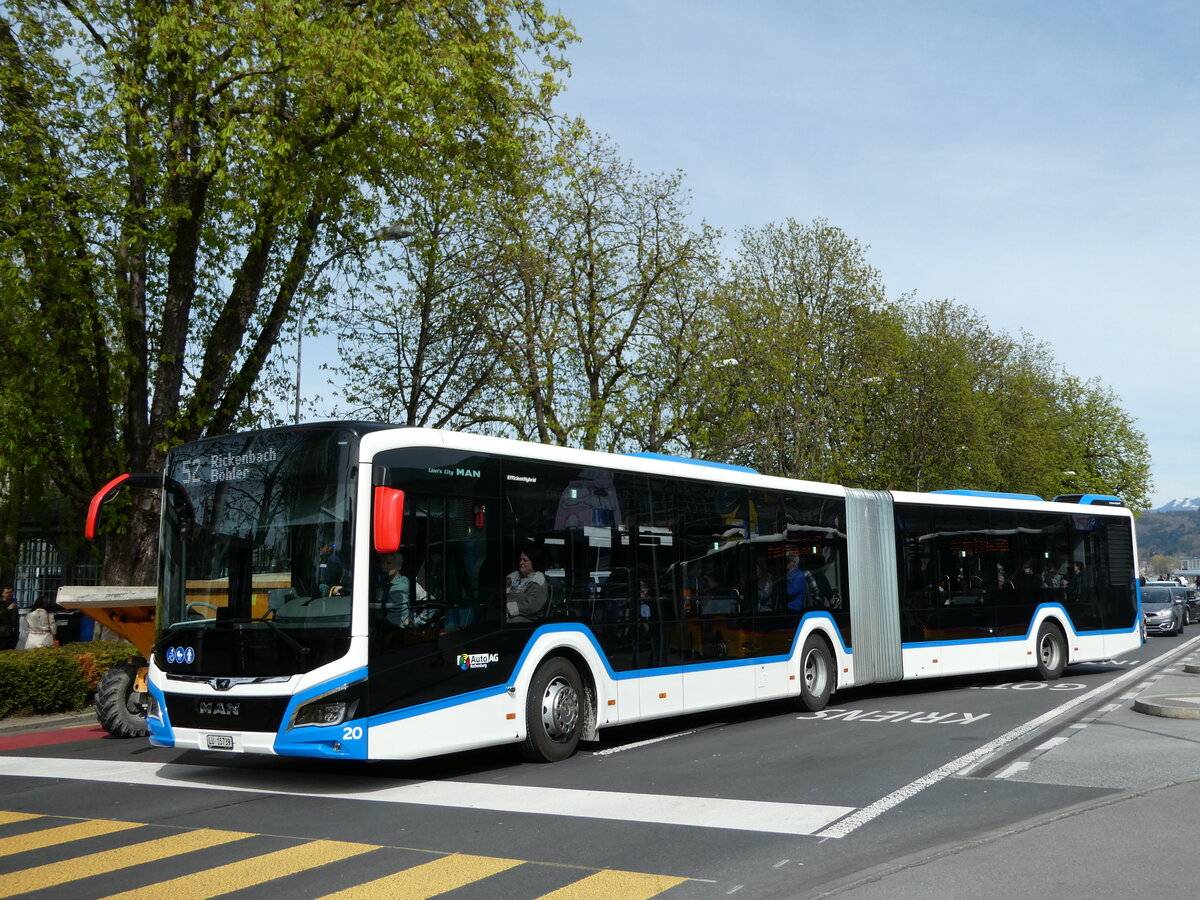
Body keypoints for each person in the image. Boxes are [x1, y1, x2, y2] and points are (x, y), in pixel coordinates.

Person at [380, 551, 435, 628]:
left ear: (399, 566)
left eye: (388, 563)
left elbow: (432, 603)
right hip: (381, 629)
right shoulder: (379, 584)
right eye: (382, 563)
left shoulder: (407, 584)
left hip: (400, 631)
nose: (384, 566)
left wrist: (416, 622)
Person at [506, 550, 548, 622]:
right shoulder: (512, 576)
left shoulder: (538, 581)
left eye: (525, 560)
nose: (521, 563)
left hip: (526, 618)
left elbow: (531, 606)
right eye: (520, 560)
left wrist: (508, 608)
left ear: (533, 562)